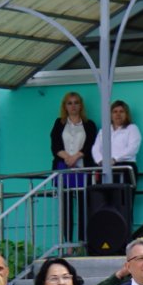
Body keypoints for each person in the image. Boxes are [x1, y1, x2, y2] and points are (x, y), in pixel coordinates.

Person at [51, 91, 99, 241]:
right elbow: (55, 145)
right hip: (64, 168)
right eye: (69, 103)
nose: (73, 106)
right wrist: (67, 157)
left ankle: (82, 241)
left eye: (76, 103)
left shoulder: (89, 124)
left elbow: (91, 144)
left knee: (83, 207)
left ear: (81, 105)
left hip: (82, 169)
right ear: (65, 106)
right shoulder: (59, 123)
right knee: (66, 207)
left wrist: (76, 157)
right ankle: (68, 243)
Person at [91, 99, 140, 174]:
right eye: (115, 112)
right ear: (111, 115)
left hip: (125, 166)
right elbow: (96, 148)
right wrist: (100, 161)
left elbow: (132, 148)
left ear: (126, 114)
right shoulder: (104, 130)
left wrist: (115, 159)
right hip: (104, 167)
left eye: (121, 111)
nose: (118, 114)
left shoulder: (132, 128)